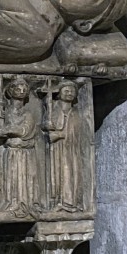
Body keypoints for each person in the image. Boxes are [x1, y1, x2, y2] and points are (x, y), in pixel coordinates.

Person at [0, 77, 38, 215]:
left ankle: (25, 204)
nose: (21, 91)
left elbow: (26, 130)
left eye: (24, 89)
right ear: (10, 91)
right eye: (18, 89)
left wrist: (9, 130)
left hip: (24, 152)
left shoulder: (27, 113)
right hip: (11, 151)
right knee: (11, 178)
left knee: (24, 178)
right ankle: (11, 203)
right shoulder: (4, 112)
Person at [41, 80, 82, 211]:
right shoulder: (54, 109)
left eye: (72, 91)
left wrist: (60, 134)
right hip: (55, 148)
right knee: (55, 173)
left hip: (70, 149)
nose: (69, 93)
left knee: (68, 172)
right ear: (59, 93)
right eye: (66, 91)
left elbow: (76, 132)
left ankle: (69, 203)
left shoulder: (75, 113)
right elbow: (47, 125)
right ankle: (56, 201)